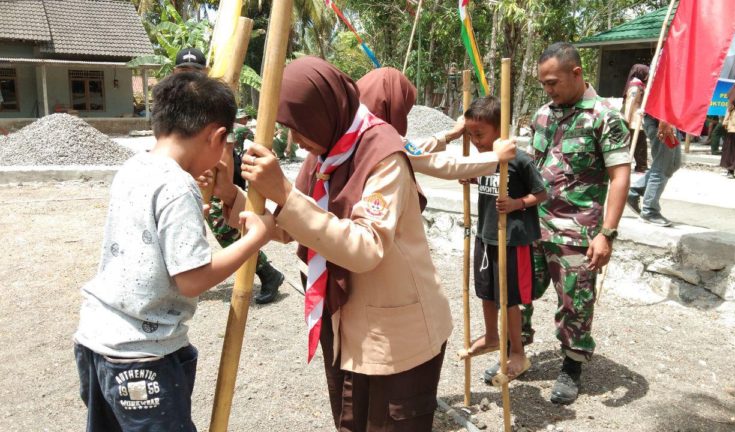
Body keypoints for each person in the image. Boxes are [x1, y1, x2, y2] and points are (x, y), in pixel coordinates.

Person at [241, 57, 452, 431]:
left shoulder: (383, 155)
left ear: (323, 112)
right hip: (348, 332)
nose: (293, 140)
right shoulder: (326, 154)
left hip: (398, 340)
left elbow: (365, 248)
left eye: (297, 127)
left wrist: (286, 196)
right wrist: (230, 197)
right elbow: (289, 227)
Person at [72, 72, 274, 431]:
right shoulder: (178, 187)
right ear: (217, 136)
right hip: (141, 357)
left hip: (96, 341)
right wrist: (252, 241)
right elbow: (193, 279)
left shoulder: (134, 167)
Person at [526, 42, 631, 405]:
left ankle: (572, 364)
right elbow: (531, 167)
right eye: (543, 84)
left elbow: (620, 177)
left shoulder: (604, 117)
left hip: (577, 231)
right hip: (533, 225)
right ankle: (516, 352)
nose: (548, 90)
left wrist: (607, 234)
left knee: (575, 302)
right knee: (518, 290)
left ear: (576, 73)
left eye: (553, 82)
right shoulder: (542, 115)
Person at [450, 96, 547, 380]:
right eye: (471, 135)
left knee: (509, 299)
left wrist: (518, 204)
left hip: (512, 240)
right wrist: (472, 179)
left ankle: (517, 351)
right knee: (486, 293)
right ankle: (492, 337)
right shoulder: (483, 159)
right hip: (485, 235)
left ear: (498, 129)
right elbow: (488, 182)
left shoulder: (520, 159)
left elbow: (542, 193)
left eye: (480, 134)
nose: (476, 141)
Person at [178, 49, 285, 304]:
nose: (188, 79)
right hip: (187, 183)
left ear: (204, 74)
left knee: (227, 232)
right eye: (184, 72)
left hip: (214, 184)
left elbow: (224, 156)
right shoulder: (176, 110)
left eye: (194, 73)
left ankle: (267, 273)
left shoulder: (214, 108)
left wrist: (219, 187)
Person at [623, 64, 650, 172]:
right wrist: (625, 121)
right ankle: (640, 166)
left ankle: (641, 166)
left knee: (640, 144)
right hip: (633, 121)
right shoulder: (635, 86)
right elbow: (629, 105)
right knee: (638, 144)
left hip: (637, 120)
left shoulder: (640, 85)